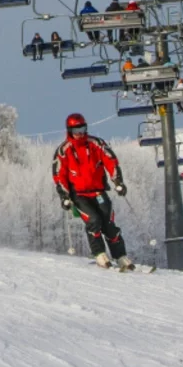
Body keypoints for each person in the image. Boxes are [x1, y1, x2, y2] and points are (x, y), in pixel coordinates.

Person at [52, 113, 134, 271]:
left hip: (98, 191)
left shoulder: (96, 144)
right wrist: (64, 195)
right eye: (76, 130)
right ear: (69, 131)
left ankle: (120, 256)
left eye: (82, 129)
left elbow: (110, 160)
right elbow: (59, 174)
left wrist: (117, 181)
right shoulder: (64, 150)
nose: (80, 133)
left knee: (108, 223)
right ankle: (100, 254)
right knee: (94, 221)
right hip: (79, 194)